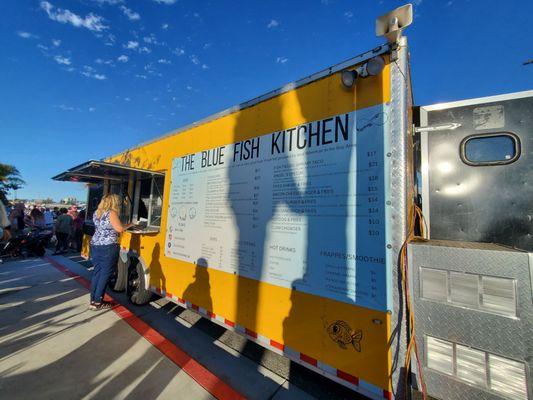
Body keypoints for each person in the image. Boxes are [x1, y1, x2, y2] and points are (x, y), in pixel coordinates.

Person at [89, 194, 133, 310]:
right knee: (105, 274)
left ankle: (93, 300)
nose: (119, 204)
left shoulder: (96, 213)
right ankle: (98, 302)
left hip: (95, 245)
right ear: (113, 202)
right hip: (108, 247)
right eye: (118, 202)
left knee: (97, 273)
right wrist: (131, 224)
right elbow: (119, 229)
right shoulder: (111, 213)